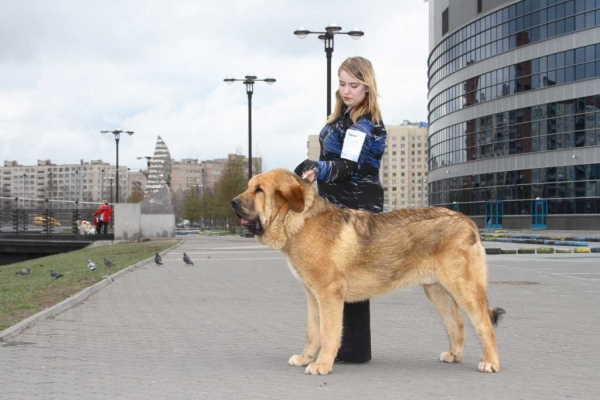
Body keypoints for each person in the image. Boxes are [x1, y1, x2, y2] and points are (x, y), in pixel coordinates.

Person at [294, 56, 387, 364]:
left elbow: (347, 165)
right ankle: (344, 346)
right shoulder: (343, 115)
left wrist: (316, 169)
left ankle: (355, 349)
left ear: (367, 86)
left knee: (352, 277)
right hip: (335, 207)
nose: (347, 91)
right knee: (335, 276)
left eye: (354, 85)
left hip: (359, 208)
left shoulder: (365, 123)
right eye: (343, 83)